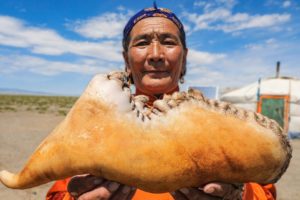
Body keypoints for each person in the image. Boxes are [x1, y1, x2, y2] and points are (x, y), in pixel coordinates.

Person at [46, 4, 276, 200]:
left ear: (184, 58)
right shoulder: (93, 130)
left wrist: (241, 194)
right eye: (142, 43)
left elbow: (265, 192)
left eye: (168, 42)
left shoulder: (219, 124)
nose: (155, 54)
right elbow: (58, 193)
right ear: (126, 60)